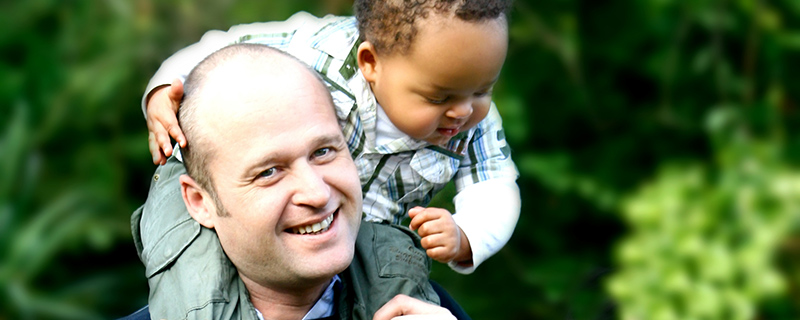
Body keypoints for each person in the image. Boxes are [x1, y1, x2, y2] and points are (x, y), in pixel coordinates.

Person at [140, 0, 520, 317]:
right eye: (270, 171)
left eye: (324, 151)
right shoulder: (321, 56)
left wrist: (468, 235)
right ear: (370, 63)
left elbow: (495, 185)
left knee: (392, 264)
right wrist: (165, 87)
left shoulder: (426, 308)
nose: (462, 113)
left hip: (371, 238)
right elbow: (229, 49)